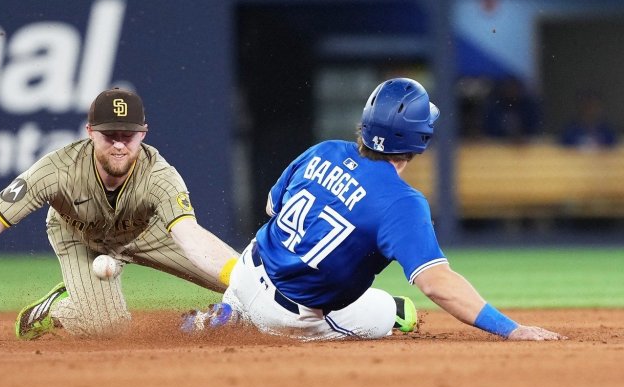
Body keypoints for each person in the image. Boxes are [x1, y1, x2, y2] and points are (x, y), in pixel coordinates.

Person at [183, 78, 564, 342]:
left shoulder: (323, 150)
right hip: (291, 316)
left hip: (246, 272)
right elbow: (437, 283)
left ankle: (228, 312)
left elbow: (272, 207)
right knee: (401, 312)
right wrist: (511, 329)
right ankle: (252, 319)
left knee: (283, 265)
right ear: (420, 141)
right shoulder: (402, 202)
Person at [0, 88, 239, 339]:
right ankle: (52, 311)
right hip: (78, 236)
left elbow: (191, 236)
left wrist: (250, 280)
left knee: (243, 288)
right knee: (108, 328)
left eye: (128, 135)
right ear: (90, 132)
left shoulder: (160, 176)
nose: (119, 144)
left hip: (145, 232)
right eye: (109, 135)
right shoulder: (57, 170)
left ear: (143, 134)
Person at [482, 76, 542, 142]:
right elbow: (489, 129)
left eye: (514, 87)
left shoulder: (529, 105)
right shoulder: (494, 105)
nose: (512, 91)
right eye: (509, 87)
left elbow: (535, 126)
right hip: (498, 144)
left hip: (526, 144)